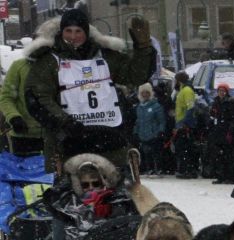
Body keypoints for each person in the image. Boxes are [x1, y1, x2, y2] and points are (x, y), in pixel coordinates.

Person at [24, 9, 157, 174]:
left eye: (78, 31)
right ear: (61, 32)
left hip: (108, 137)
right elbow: (38, 97)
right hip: (67, 141)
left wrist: (143, 48)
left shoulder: (106, 56)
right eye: (68, 31)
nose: (73, 37)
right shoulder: (49, 61)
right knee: (73, 192)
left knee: (114, 190)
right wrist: (65, 122)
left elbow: (136, 76)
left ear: (86, 32)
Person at [0, 57, 44, 156]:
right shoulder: (19, 65)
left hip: (56, 135)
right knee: (22, 169)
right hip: (23, 134)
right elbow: (6, 97)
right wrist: (14, 117)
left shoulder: (63, 65)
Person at [208, 84, 234, 184]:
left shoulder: (231, 103)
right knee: (219, 155)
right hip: (218, 131)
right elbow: (213, 116)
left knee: (229, 155)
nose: (221, 92)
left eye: (223, 91)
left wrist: (231, 128)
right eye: (219, 90)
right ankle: (221, 176)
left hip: (228, 132)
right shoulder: (216, 102)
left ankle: (230, 177)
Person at [133, 84, 166, 175]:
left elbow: (161, 120)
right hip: (143, 134)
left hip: (154, 133)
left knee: (156, 152)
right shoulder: (139, 107)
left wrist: (160, 131)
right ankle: (150, 168)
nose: (145, 94)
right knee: (146, 152)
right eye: (143, 93)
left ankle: (158, 168)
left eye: (147, 92)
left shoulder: (156, 106)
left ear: (150, 93)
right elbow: (138, 121)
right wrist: (136, 131)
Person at [172, 72, 200, 179]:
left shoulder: (187, 90)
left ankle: (187, 170)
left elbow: (190, 107)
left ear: (179, 80)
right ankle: (186, 170)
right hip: (181, 123)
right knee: (183, 148)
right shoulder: (182, 90)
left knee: (185, 148)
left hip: (185, 124)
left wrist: (185, 122)